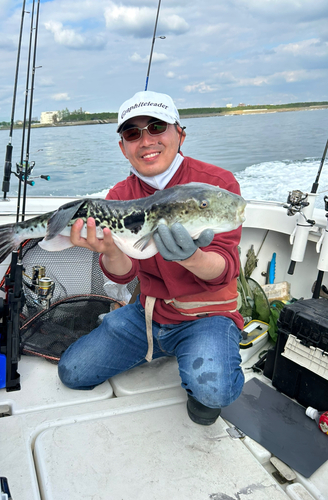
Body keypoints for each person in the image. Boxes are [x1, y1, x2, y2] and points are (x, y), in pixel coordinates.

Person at [58, 90, 245, 425]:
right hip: (148, 314)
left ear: (179, 133)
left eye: (157, 127)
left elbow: (225, 268)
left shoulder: (216, 186)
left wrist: (191, 257)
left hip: (207, 314)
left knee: (213, 392)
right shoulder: (119, 197)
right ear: (123, 147)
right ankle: (159, 346)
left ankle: (200, 354)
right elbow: (122, 274)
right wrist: (110, 250)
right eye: (133, 133)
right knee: (73, 372)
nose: (146, 141)